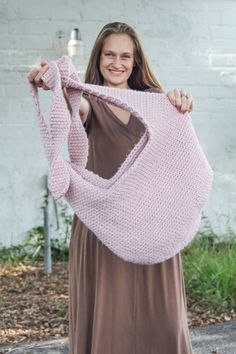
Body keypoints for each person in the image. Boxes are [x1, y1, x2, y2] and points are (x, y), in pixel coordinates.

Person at [28, 22, 194, 354]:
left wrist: (179, 99)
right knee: (109, 318)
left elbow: (179, 155)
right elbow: (73, 102)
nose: (116, 63)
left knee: (162, 319)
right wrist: (50, 79)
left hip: (151, 227)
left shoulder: (157, 104)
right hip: (103, 227)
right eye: (109, 55)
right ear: (98, 57)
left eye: (125, 56)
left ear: (136, 62)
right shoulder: (88, 99)